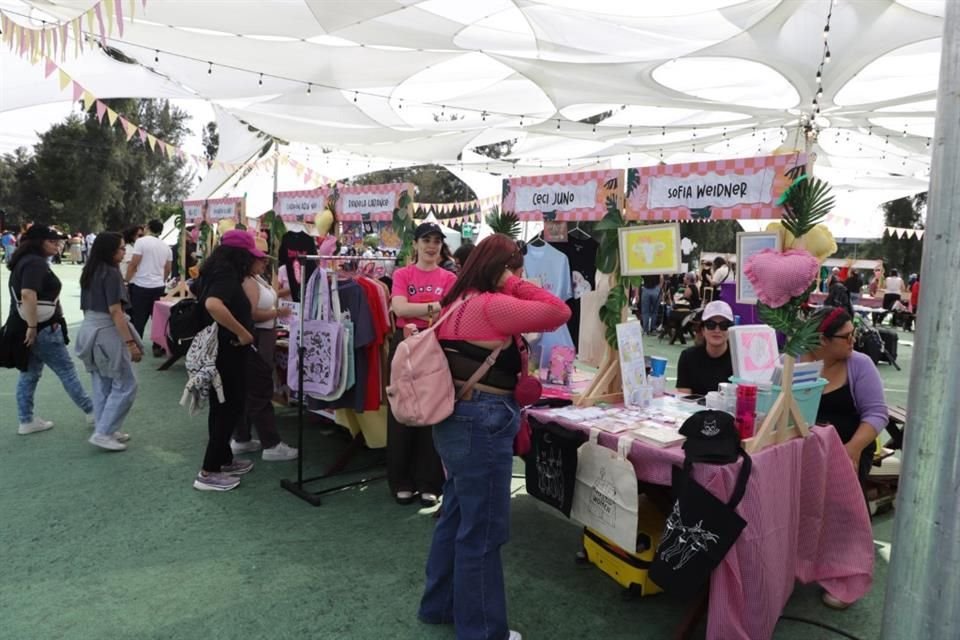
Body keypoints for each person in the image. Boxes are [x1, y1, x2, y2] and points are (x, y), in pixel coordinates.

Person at [418, 233, 571, 640]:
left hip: (456, 418)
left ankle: (439, 604)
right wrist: (511, 281)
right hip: (482, 421)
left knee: (456, 514)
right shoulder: (491, 305)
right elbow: (557, 311)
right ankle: (482, 631)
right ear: (503, 268)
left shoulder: (456, 302)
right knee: (483, 531)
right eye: (516, 267)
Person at [387, 222, 457, 507]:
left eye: (437, 241)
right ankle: (401, 480)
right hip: (404, 346)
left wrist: (423, 309)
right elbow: (399, 309)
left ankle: (430, 481)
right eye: (426, 240)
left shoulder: (450, 278)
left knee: (432, 412)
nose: (431, 246)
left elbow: (451, 309)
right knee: (402, 411)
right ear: (414, 244)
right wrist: (436, 306)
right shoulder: (402, 273)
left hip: (436, 348)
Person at [7, 225, 95, 435]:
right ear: (38, 242)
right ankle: (93, 410)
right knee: (66, 370)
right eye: (52, 241)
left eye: (58, 241)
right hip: (42, 328)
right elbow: (28, 293)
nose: (58, 244)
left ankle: (26, 420)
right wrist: (33, 326)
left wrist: (31, 326)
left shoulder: (25, 261)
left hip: (29, 327)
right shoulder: (35, 263)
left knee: (29, 374)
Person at [192, 230, 260, 491]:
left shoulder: (215, 270)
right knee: (228, 407)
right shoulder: (226, 274)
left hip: (222, 350)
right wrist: (243, 333)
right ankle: (208, 471)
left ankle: (222, 460)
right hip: (226, 351)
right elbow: (213, 304)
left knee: (223, 406)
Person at [802, 306, 888, 490]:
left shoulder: (860, 364)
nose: (854, 340)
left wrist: (852, 449)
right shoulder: (789, 363)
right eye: (846, 336)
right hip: (801, 450)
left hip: (850, 445)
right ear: (823, 339)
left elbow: (877, 413)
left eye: (853, 333)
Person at [75, 232, 142, 451]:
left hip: (90, 329)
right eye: (122, 248)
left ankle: (105, 428)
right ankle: (104, 432)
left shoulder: (91, 270)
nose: (125, 253)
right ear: (110, 250)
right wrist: (130, 343)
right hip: (106, 331)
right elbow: (115, 311)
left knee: (102, 383)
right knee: (126, 383)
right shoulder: (111, 273)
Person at [231, 250, 298, 461]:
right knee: (260, 389)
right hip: (259, 337)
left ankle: (242, 437)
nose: (264, 264)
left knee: (249, 389)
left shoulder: (255, 278)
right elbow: (251, 313)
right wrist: (277, 314)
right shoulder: (249, 281)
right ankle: (271, 444)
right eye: (261, 260)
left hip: (261, 336)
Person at [126, 219, 172, 357]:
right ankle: (158, 346)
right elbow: (168, 268)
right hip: (158, 286)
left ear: (148, 228)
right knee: (158, 318)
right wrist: (161, 280)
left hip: (141, 285)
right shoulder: (166, 247)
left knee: (139, 317)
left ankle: (137, 346)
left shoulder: (141, 242)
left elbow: (134, 264)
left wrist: (126, 281)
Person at [675, 300, 734, 396]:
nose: (717, 330)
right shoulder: (688, 357)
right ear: (703, 330)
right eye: (711, 325)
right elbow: (683, 399)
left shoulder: (739, 361)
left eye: (724, 325)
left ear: (730, 330)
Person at [665, 272, 701, 345]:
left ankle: (670, 328)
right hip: (694, 309)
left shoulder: (689, 288)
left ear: (688, 279)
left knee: (670, 311)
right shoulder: (694, 286)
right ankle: (678, 333)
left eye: (684, 277)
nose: (683, 278)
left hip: (691, 311)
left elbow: (684, 299)